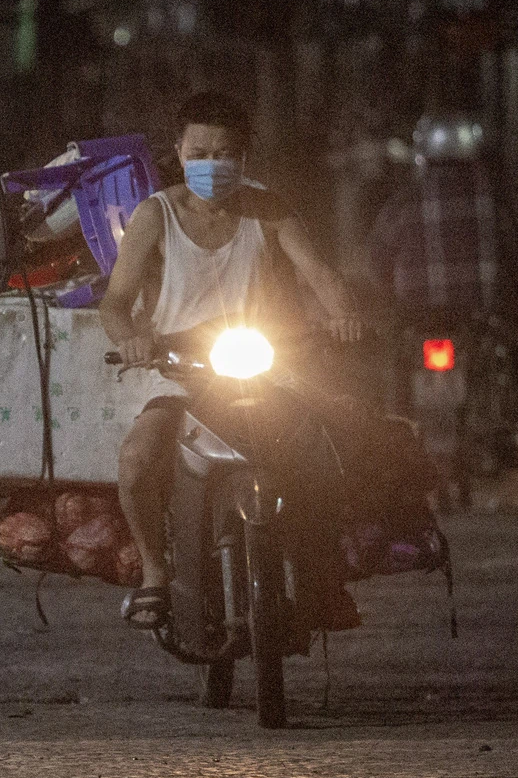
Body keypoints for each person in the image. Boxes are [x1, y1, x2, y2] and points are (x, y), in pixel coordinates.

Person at [100, 91, 364, 632]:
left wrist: (343, 313)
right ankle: (154, 571)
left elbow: (321, 275)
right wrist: (130, 340)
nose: (212, 164)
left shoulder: (268, 210)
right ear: (178, 150)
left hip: (262, 366)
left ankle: (321, 575)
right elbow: (115, 301)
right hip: (176, 372)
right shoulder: (157, 216)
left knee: (330, 449)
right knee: (136, 463)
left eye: (225, 153)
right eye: (200, 152)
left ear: (244, 158)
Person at [366, 116, 518, 468]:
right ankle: (502, 436)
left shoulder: (402, 203)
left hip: (415, 316)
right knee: (506, 357)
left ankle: (394, 441)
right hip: (475, 314)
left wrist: (384, 299)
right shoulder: (492, 202)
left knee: (392, 367)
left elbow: (378, 260)